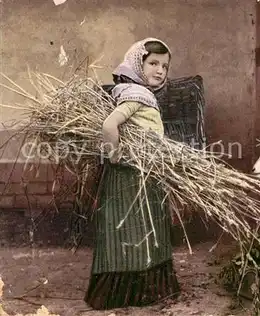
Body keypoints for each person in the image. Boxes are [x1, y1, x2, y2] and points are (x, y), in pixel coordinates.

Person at [84, 37, 180, 310]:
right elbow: (109, 125)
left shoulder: (135, 92)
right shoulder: (136, 94)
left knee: (145, 230)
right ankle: (128, 292)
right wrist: (115, 155)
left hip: (145, 175)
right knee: (133, 230)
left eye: (164, 65)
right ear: (138, 63)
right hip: (130, 178)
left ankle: (143, 290)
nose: (160, 70)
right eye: (153, 63)